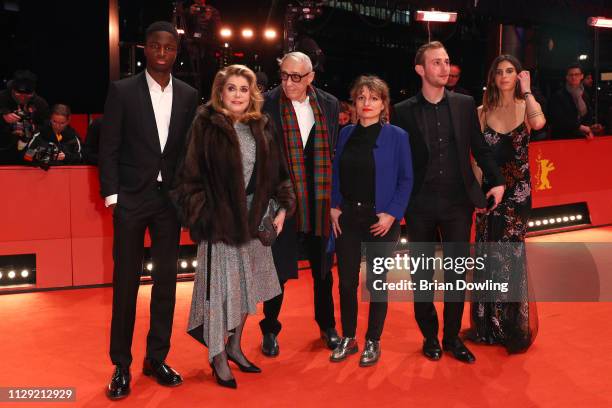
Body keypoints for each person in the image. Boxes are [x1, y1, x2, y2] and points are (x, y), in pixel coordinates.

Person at [171, 64, 295, 388]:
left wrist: (282, 210)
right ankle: (217, 356)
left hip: (255, 222)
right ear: (220, 92)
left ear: (251, 93)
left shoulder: (262, 125)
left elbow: (279, 174)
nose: (238, 95)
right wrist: (206, 215)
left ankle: (235, 345)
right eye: (232, 89)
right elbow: (188, 178)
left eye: (244, 89)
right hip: (220, 225)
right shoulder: (206, 124)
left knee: (248, 288)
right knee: (221, 294)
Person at [99, 21, 198, 400]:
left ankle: (156, 358)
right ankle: (121, 364)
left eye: (169, 48)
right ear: (145, 49)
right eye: (155, 46)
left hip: (168, 202)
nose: (162, 53)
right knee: (125, 283)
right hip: (131, 200)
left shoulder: (189, 95)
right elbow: (108, 146)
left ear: (176, 52)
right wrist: (113, 196)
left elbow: (189, 149)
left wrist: (187, 195)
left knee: (167, 284)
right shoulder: (122, 91)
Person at [392, 41, 505, 364]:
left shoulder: (463, 104)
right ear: (421, 70)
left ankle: (452, 337)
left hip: (458, 202)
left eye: (446, 61)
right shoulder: (402, 111)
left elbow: (479, 148)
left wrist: (496, 181)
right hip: (420, 204)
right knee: (422, 275)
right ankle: (429, 336)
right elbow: (398, 162)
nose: (444, 68)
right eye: (437, 63)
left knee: (457, 273)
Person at [260, 51, 341, 357]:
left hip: (319, 199)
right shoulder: (267, 104)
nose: (289, 83)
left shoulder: (329, 105)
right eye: (284, 75)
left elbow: (331, 153)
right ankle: (269, 328)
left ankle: (327, 325)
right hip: (283, 200)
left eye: (296, 77)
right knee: (278, 270)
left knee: (323, 269)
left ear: (310, 78)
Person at [329, 75, 413, 366]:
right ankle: (349, 338)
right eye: (361, 97)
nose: (367, 103)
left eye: (374, 98)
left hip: (381, 220)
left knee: (377, 284)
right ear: (354, 102)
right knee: (346, 283)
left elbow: (406, 179)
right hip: (348, 217)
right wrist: (334, 206)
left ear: (383, 104)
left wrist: (392, 213)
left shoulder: (398, 136)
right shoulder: (345, 133)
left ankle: (372, 340)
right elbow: (336, 175)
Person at [467, 54, 544, 354]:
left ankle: (514, 324)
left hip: (518, 194)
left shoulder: (527, 107)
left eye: (510, 71)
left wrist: (527, 89)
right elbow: (475, 159)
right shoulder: (481, 112)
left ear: (517, 75)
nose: (504, 76)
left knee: (510, 256)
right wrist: (475, 195)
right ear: (493, 77)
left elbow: (539, 123)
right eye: (499, 71)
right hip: (489, 194)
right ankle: (489, 324)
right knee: (488, 255)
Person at [0, 70, 49, 164]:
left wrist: (34, 129)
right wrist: (2, 117)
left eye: (26, 94)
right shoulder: (2, 98)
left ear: (33, 92)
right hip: (3, 149)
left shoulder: (40, 104)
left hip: (28, 153)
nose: (22, 97)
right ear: (13, 89)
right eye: (19, 94)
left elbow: (47, 129)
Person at [548, 64, 602, 139]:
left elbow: (584, 116)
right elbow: (558, 119)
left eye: (576, 74)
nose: (573, 77)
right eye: (571, 75)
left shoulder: (584, 94)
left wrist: (591, 127)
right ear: (566, 77)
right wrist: (581, 127)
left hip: (581, 137)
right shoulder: (558, 95)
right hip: (563, 138)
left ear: (582, 76)